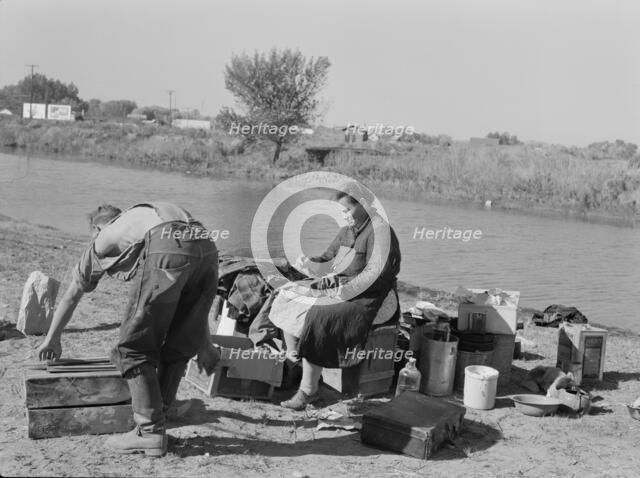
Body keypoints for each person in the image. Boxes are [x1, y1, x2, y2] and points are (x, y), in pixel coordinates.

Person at [36, 202, 221, 457]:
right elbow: (190, 311)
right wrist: (204, 344)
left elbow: (72, 295)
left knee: (132, 348)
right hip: (207, 246)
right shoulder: (141, 219)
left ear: (96, 228)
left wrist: (52, 339)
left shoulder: (103, 238)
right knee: (179, 344)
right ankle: (161, 419)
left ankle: (149, 433)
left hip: (169, 246)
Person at [250, 182, 401, 410]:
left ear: (363, 205)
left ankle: (308, 391)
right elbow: (328, 259)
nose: (344, 216)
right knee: (287, 295)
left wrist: (343, 290)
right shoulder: (347, 230)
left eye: (347, 210)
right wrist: (310, 264)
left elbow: (378, 275)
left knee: (319, 315)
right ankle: (297, 365)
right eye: (340, 211)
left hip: (373, 296)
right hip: (341, 288)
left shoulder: (380, 231)